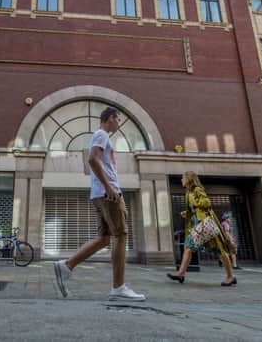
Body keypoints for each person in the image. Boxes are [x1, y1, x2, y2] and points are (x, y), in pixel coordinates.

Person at [53, 106, 145, 301]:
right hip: (108, 193)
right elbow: (92, 160)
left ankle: (66, 266)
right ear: (111, 118)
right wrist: (109, 188)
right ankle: (118, 287)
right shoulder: (102, 134)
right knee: (121, 235)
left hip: (100, 194)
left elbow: (96, 161)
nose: (119, 124)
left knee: (104, 238)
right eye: (118, 119)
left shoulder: (101, 136)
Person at [166, 171, 237, 286]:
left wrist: (196, 202)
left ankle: (230, 276)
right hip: (198, 225)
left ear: (189, 179)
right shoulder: (188, 192)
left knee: (220, 250)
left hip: (205, 224)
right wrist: (188, 212)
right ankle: (181, 273)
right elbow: (195, 208)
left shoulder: (197, 190)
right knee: (188, 246)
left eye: (183, 178)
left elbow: (207, 203)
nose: (181, 180)